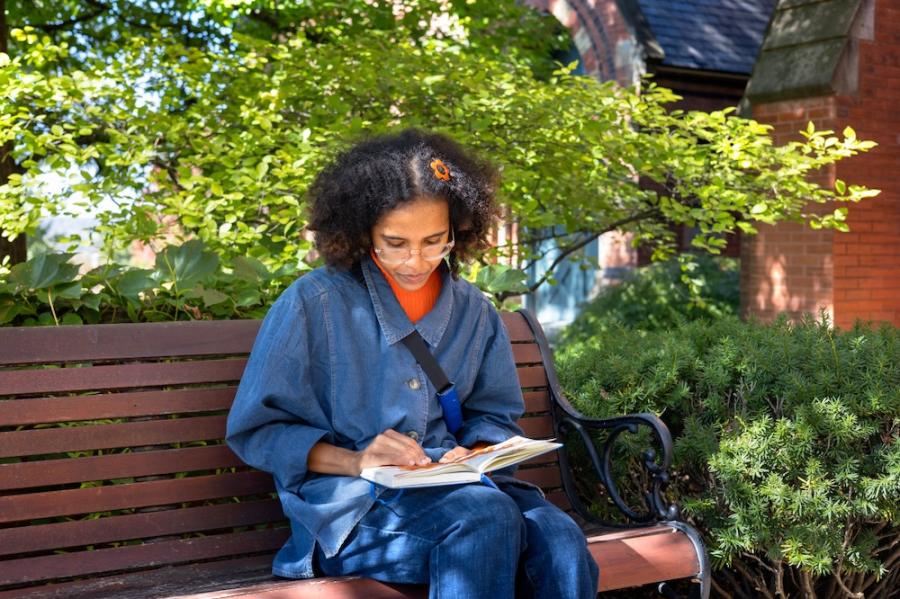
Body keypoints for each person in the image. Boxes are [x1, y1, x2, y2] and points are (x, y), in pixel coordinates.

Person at [225, 128, 599, 598]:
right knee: (482, 519)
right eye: (395, 242)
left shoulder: (475, 311)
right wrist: (358, 460)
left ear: (456, 231)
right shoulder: (313, 303)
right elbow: (258, 431)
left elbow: (493, 414)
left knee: (559, 539)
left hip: (463, 491)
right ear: (363, 231)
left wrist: (476, 450)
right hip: (351, 509)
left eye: (434, 241)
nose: (415, 261)